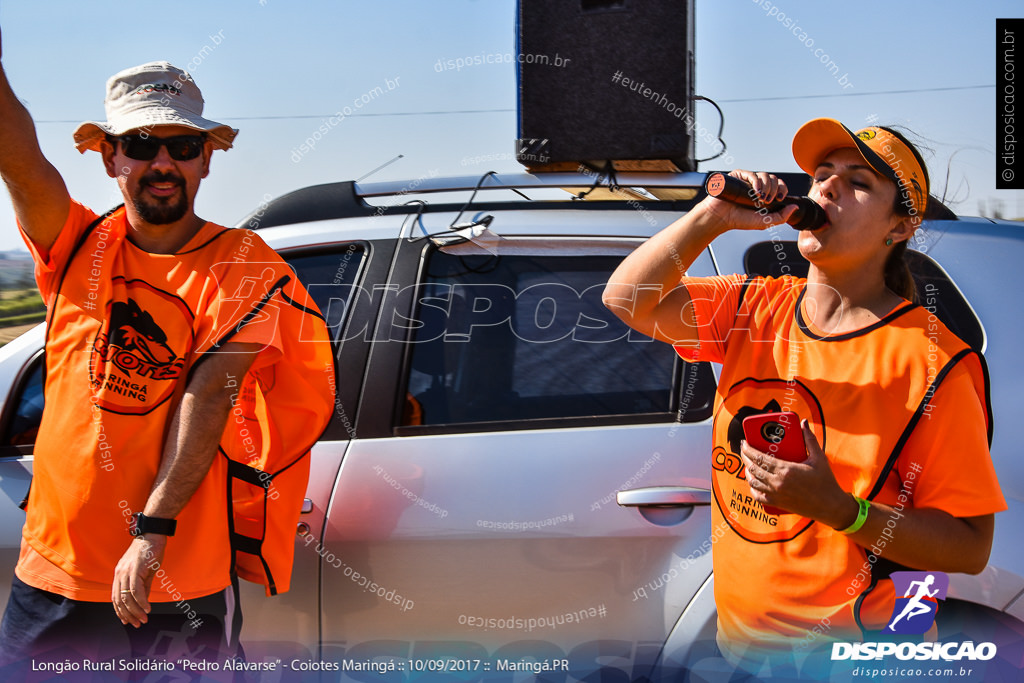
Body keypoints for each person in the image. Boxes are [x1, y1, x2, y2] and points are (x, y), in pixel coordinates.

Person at [603, 119, 1006, 678]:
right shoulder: (753, 307)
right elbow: (628, 300)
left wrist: (838, 508)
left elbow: (968, 549)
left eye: (858, 182)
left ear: (902, 226)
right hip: (740, 650)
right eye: (822, 175)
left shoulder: (936, 361)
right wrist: (710, 218)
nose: (828, 188)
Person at [0, 29, 335, 674]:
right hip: (54, 567)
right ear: (109, 159)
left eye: (181, 147)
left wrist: (150, 533)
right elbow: (19, 161)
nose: (162, 163)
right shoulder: (74, 244)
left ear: (206, 159)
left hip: (175, 572)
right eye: (140, 145)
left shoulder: (244, 263)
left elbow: (210, 393)